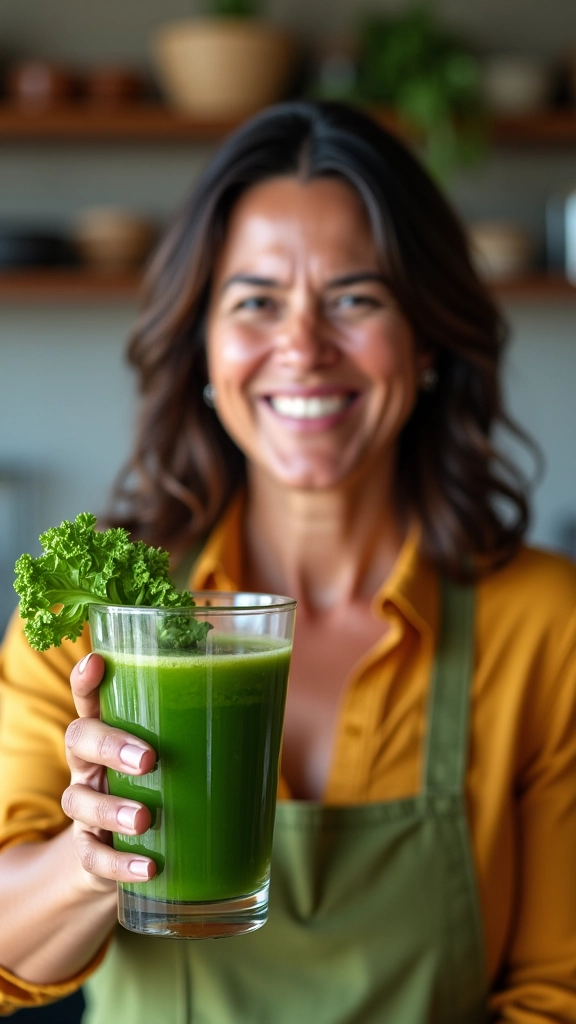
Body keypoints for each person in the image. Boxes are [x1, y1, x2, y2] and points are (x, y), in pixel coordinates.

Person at [0, 100, 575, 1024]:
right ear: (203, 344)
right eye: (257, 302)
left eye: (356, 298)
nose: (302, 348)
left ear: (426, 340)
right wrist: (90, 853)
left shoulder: (550, 625)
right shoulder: (94, 611)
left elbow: (558, 990)